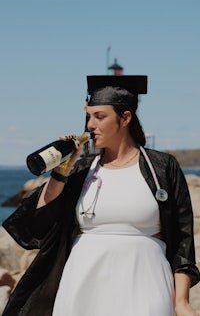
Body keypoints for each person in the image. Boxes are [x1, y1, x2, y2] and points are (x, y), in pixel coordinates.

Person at [2, 75, 200, 316]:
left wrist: (181, 301)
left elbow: (183, 239)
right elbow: (39, 219)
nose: (90, 125)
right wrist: (62, 171)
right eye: (88, 117)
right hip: (83, 284)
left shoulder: (161, 167)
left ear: (125, 118)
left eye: (100, 117)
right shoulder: (83, 168)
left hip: (146, 282)